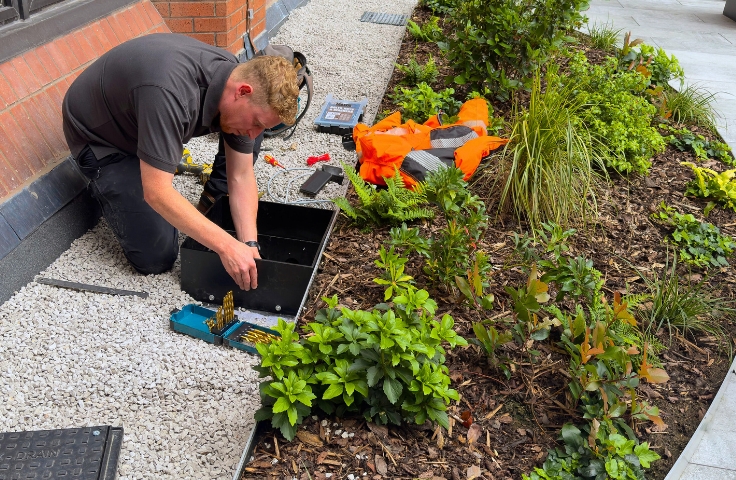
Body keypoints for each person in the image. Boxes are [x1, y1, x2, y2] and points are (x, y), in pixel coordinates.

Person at [62, 33, 299, 291]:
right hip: (102, 139)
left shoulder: (235, 80)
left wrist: (249, 244)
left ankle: (182, 177)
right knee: (156, 256)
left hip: (144, 115)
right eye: (256, 123)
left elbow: (241, 176)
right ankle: (109, 182)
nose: (254, 134)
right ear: (242, 92)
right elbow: (157, 192)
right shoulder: (169, 93)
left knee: (239, 144)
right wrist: (227, 246)